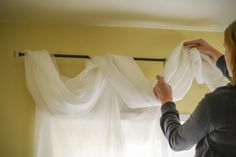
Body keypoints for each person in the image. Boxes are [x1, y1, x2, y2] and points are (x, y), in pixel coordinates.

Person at [153, 20, 236, 157]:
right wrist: (214, 53)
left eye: (226, 48)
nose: (224, 52)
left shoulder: (219, 103)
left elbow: (178, 141)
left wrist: (166, 102)